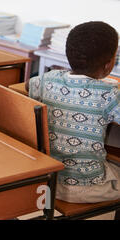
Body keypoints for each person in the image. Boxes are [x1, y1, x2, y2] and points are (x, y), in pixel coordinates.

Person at [28, 21, 119, 203]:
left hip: (46, 178)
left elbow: (26, 85)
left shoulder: (46, 80)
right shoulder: (110, 95)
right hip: (86, 187)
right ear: (109, 65)